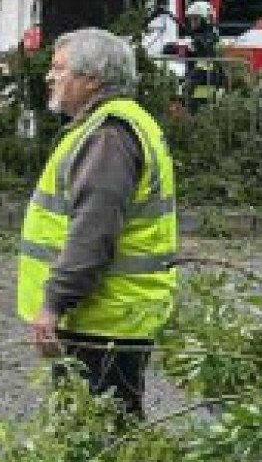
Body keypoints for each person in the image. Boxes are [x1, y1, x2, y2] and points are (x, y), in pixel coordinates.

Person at [17, 28, 178, 419]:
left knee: (101, 440)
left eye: (59, 69)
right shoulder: (117, 126)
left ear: (92, 79)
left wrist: (53, 303)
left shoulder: (108, 136)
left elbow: (93, 231)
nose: (49, 77)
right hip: (111, 318)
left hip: (103, 321)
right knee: (102, 434)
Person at [181, 0, 224, 108]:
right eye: (191, 19)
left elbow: (205, 55)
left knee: (200, 111)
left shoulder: (211, 37)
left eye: (196, 19)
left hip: (206, 83)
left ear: (206, 20)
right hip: (197, 84)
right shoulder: (197, 37)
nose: (192, 23)